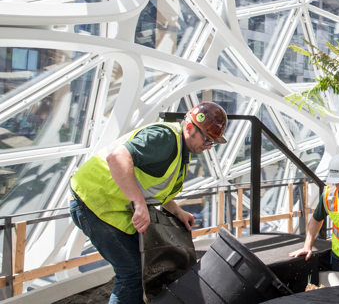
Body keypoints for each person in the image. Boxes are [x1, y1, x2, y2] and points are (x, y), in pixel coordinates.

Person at [69, 102, 228, 304]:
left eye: (211, 143)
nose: (207, 147)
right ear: (189, 128)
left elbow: (153, 185)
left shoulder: (181, 151)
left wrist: (176, 210)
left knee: (139, 271)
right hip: (92, 201)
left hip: (110, 207)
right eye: (207, 140)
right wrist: (139, 203)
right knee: (132, 272)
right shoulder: (164, 138)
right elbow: (117, 158)